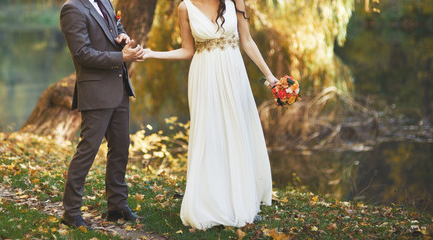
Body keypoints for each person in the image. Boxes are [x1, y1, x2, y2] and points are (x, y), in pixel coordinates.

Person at [143, 0, 277, 230]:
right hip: (205, 75)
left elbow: (247, 41)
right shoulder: (185, 7)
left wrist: (270, 77)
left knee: (236, 130)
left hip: (234, 73)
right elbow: (187, 51)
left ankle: (241, 198)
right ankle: (210, 202)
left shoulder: (235, 1)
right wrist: (152, 53)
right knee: (211, 134)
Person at [59, 0, 144, 229]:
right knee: (87, 151)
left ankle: (117, 207)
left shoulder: (105, 1)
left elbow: (116, 28)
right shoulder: (72, 8)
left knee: (121, 147)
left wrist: (123, 36)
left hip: (119, 87)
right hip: (95, 91)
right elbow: (82, 54)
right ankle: (71, 212)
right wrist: (121, 58)